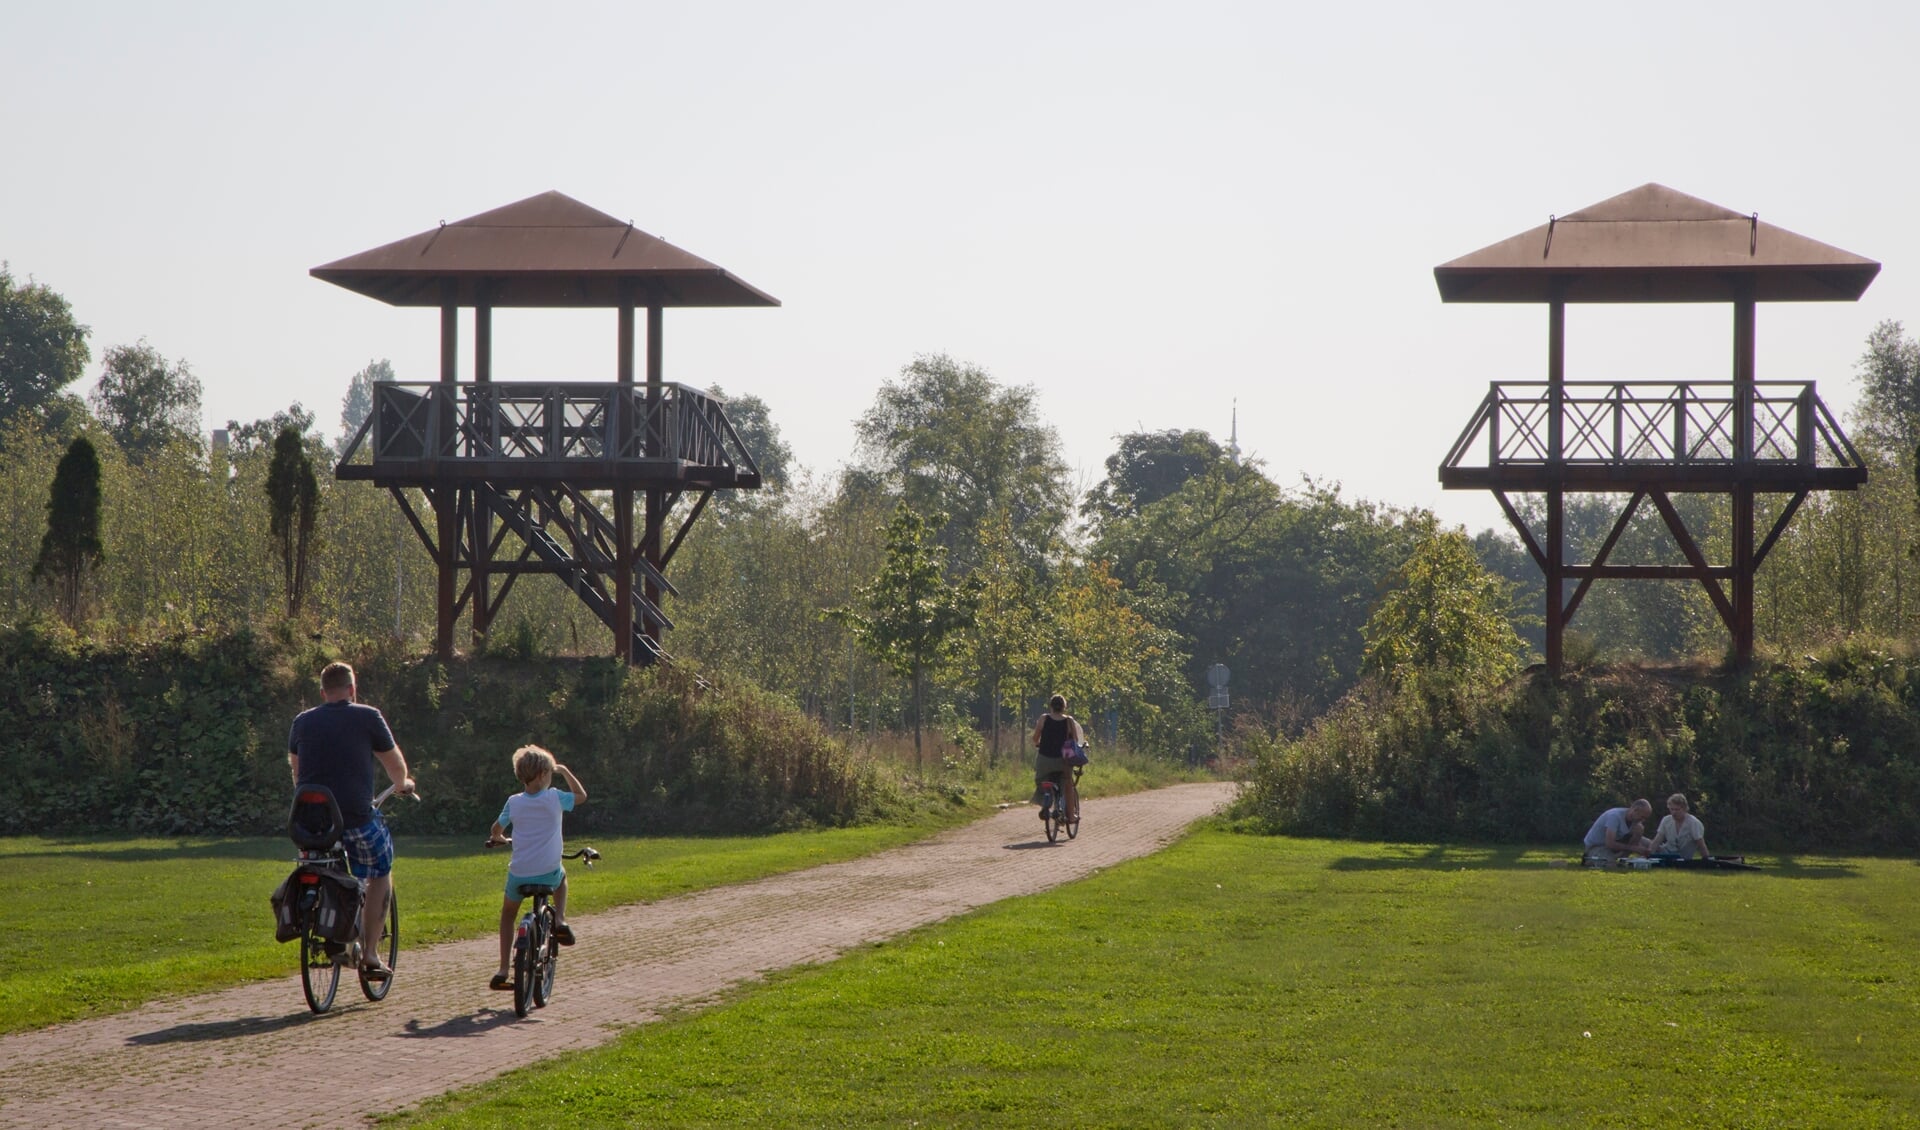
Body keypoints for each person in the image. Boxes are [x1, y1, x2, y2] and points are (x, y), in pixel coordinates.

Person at [288, 661, 414, 980]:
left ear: (322, 692)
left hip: (310, 822)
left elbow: (297, 772)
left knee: (323, 861)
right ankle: (370, 954)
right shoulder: (367, 716)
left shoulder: (301, 722)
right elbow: (394, 765)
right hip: (355, 818)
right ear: (352, 690)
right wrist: (403, 784)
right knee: (381, 870)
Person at [485, 745, 587, 991]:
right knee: (562, 878)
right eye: (551, 772)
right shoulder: (554, 797)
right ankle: (560, 919)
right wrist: (564, 771)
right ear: (543, 774)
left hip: (519, 875)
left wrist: (498, 838)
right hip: (549, 871)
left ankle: (502, 969)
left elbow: (496, 829)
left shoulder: (514, 802)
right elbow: (581, 796)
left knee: (508, 914)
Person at [1030, 694, 1086, 827]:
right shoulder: (1068, 720)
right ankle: (1071, 816)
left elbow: (1035, 738)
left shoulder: (1044, 718)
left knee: (1041, 780)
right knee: (1067, 784)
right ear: (1064, 707)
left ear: (1051, 706)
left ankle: (1046, 803)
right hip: (1063, 760)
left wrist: (1039, 744)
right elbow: (1075, 740)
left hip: (1044, 759)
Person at [1582, 798, 1653, 865]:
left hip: (1618, 840)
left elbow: (1635, 841)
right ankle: (1590, 859)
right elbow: (1610, 843)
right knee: (1610, 864)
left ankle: (1623, 860)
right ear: (1635, 810)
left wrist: (1642, 845)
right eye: (1642, 817)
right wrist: (1634, 848)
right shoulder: (1614, 816)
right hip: (1598, 846)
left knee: (1651, 844)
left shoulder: (1635, 822)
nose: (1643, 820)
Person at [1650, 792, 1711, 859]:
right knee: (1643, 841)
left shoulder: (1694, 823)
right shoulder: (1666, 820)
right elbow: (1657, 840)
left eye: (1677, 810)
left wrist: (1706, 860)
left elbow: (1701, 844)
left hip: (1683, 857)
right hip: (1666, 852)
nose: (1674, 813)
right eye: (1671, 809)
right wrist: (1649, 855)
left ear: (1684, 808)